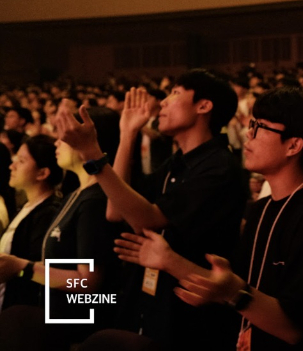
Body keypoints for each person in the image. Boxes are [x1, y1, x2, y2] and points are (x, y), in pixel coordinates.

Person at [114, 87, 303, 350]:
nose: (248, 134)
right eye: (251, 125)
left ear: (293, 145)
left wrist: (234, 293)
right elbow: (228, 285)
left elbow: (292, 329)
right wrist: (168, 261)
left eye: (260, 127)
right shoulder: (261, 209)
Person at [55, 70, 247, 350]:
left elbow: (148, 219)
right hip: (153, 301)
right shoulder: (176, 163)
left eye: (176, 93)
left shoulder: (218, 166)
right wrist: (127, 134)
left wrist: (92, 154)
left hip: (191, 316)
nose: (163, 102)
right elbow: (115, 211)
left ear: (204, 106)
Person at [0, 108, 122, 346]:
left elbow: (88, 283)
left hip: (77, 332)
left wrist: (23, 268)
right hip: (57, 322)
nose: (57, 142)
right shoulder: (75, 195)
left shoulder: (96, 201)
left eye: (65, 136)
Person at [0, 135, 62, 311]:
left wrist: (19, 269)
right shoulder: (26, 207)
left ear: (42, 173)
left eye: (21, 161)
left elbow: (35, 269)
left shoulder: (48, 213)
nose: (12, 166)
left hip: (22, 311)